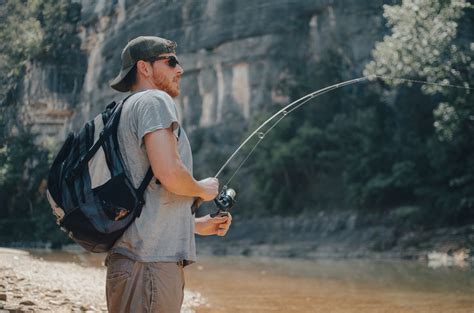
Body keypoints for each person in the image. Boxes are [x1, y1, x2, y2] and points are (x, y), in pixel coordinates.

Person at [105, 36, 232, 313]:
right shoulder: (154, 101)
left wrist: (196, 225)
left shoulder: (123, 109)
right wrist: (202, 189)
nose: (180, 69)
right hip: (149, 266)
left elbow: (146, 195)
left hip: (134, 263)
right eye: (170, 61)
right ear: (144, 68)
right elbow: (169, 174)